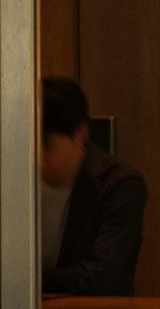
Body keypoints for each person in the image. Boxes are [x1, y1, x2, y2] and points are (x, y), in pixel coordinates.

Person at [40, 74, 149, 295]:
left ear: (80, 135)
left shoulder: (119, 184)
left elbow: (101, 278)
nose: (38, 155)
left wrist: (21, 278)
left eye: (47, 144)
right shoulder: (14, 182)